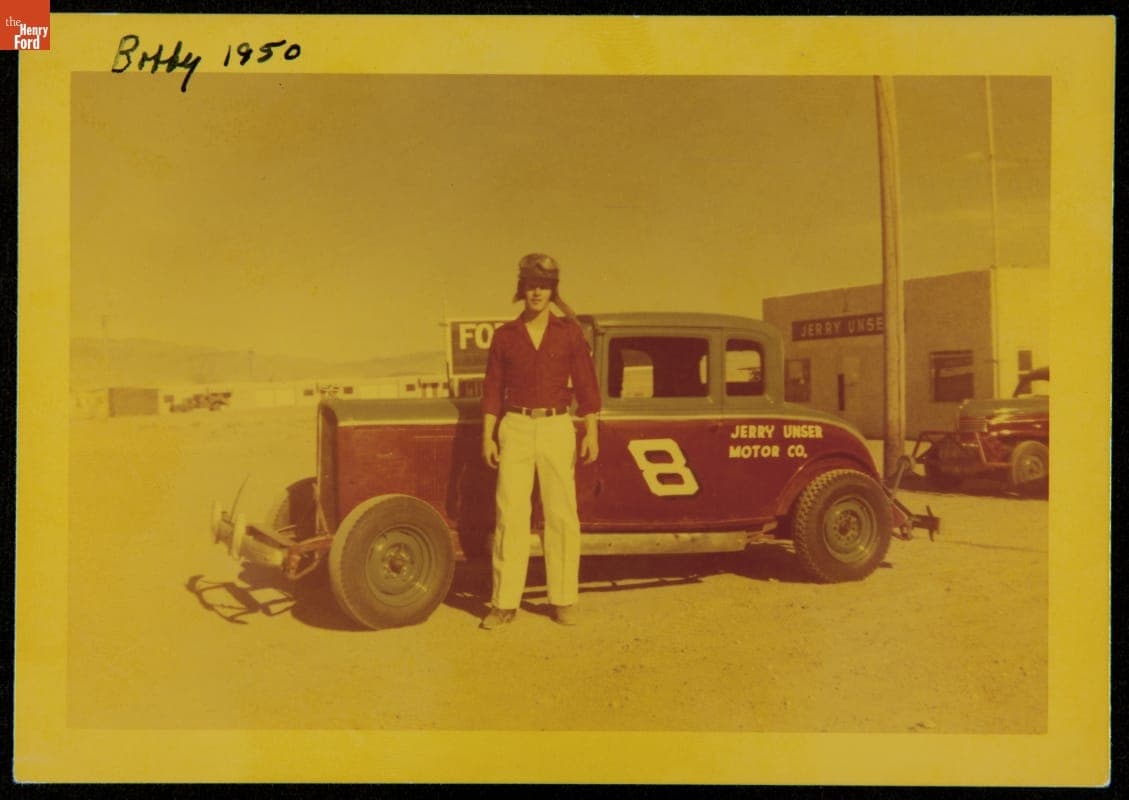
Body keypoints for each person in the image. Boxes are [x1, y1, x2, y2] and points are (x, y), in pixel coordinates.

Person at [479, 253, 601, 629]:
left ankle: (563, 599)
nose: (537, 292)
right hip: (514, 427)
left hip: (556, 426)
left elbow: (586, 384)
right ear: (522, 288)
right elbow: (493, 389)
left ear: (552, 290)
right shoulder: (505, 335)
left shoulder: (568, 332)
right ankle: (503, 603)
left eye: (544, 286)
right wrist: (488, 435)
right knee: (511, 515)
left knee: (561, 514)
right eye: (531, 284)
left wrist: (591, 431)